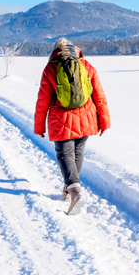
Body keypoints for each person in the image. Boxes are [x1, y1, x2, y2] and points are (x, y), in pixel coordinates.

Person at [33, 37, 110, 214]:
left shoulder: (51, 68)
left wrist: (39, 126)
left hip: (61, 119)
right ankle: (70, 188)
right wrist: (104, 121)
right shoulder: (86, 66)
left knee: (64, 154)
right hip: (86, 118)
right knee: (77, 153)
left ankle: (75, 192)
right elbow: (99, 96)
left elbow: (43, 101)